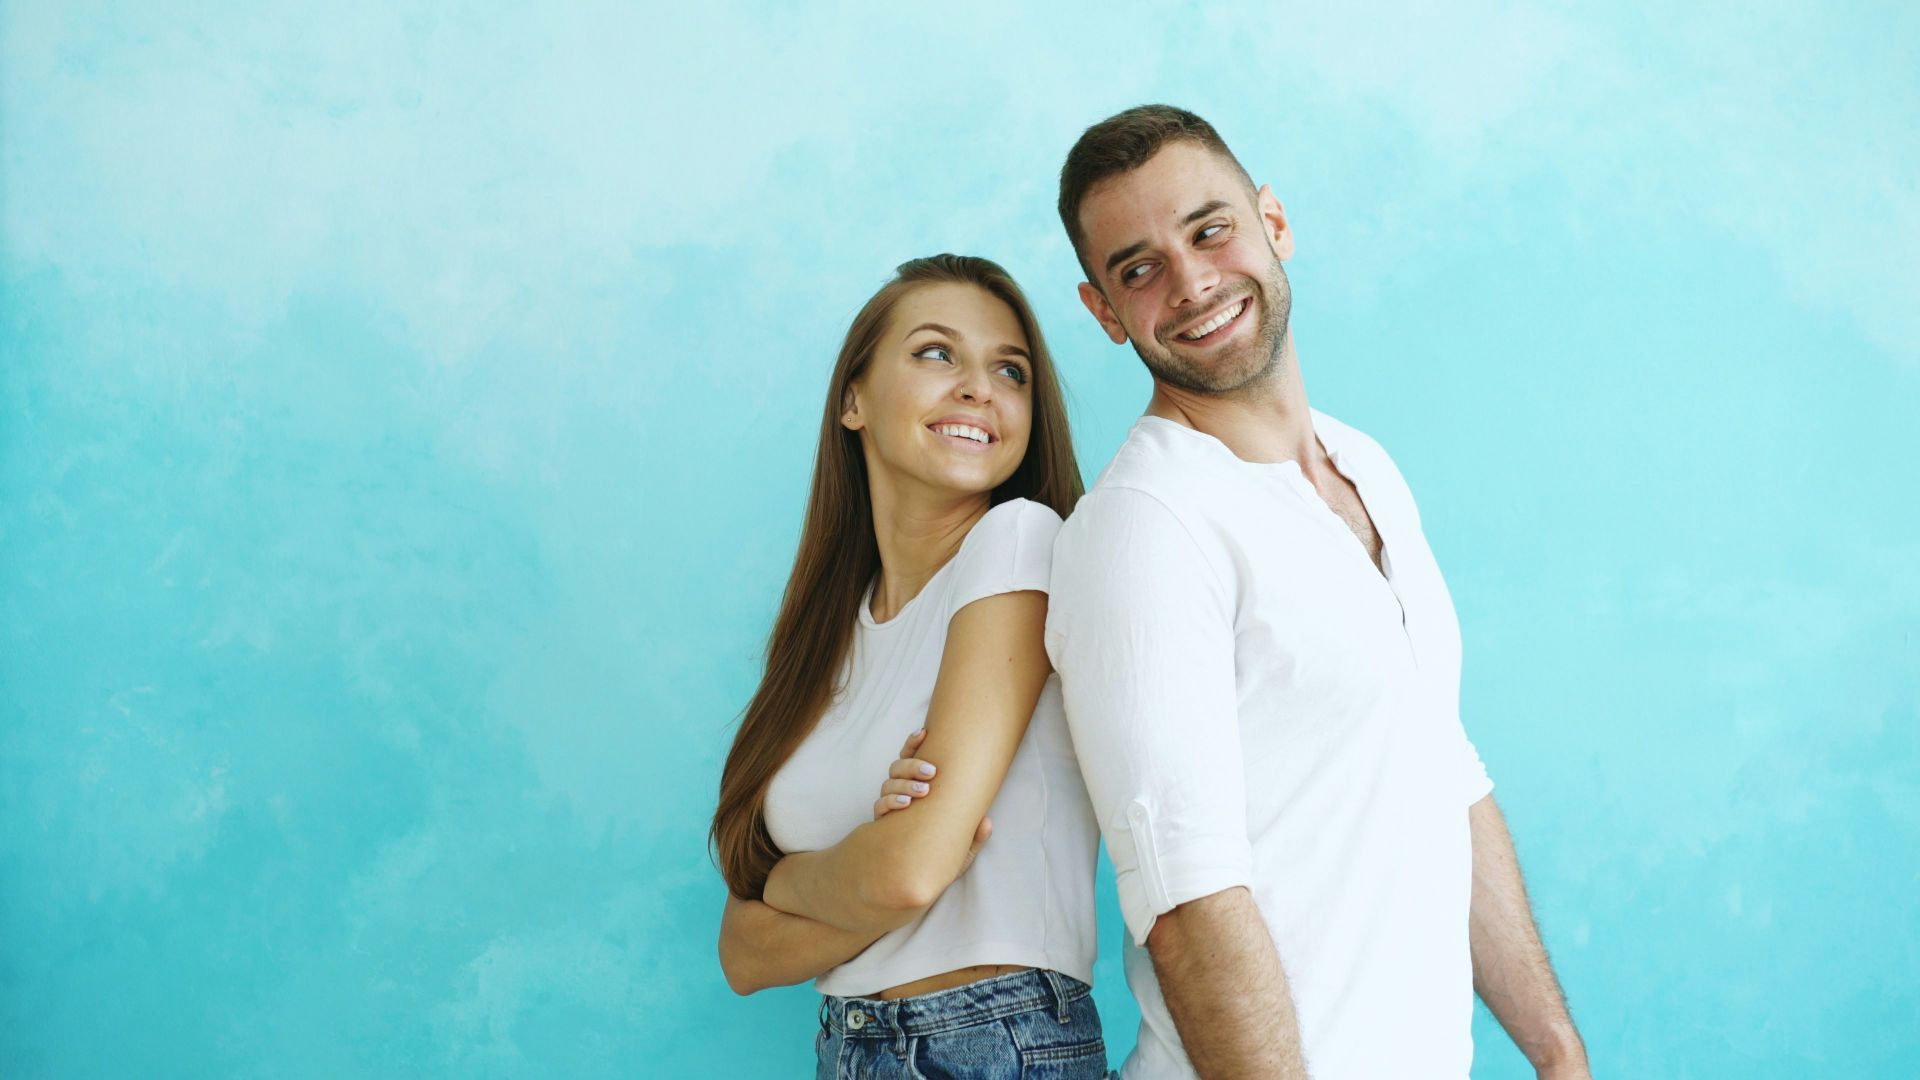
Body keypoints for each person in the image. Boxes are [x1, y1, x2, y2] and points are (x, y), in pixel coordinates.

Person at [1043, 105, 1591, 1078]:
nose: (1193, 281)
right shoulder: (1146, 527)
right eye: (1140, 268)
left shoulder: (1366, 465)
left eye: (1210, 230)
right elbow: (1188, 907)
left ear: (1274, 224)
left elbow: (1444, 767)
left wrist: (1557, 1056)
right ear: (1103, 311)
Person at [710, 254, 1109, 1078]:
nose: (978, 387)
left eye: (1011, 370)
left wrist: (793, 885)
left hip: (994, 1041)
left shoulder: (1019, 540)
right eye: (936, 353)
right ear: (851, 399)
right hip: (850, 1045)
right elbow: (742, 957)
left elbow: (911, 870)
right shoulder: (826, 638)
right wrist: (854, 870)